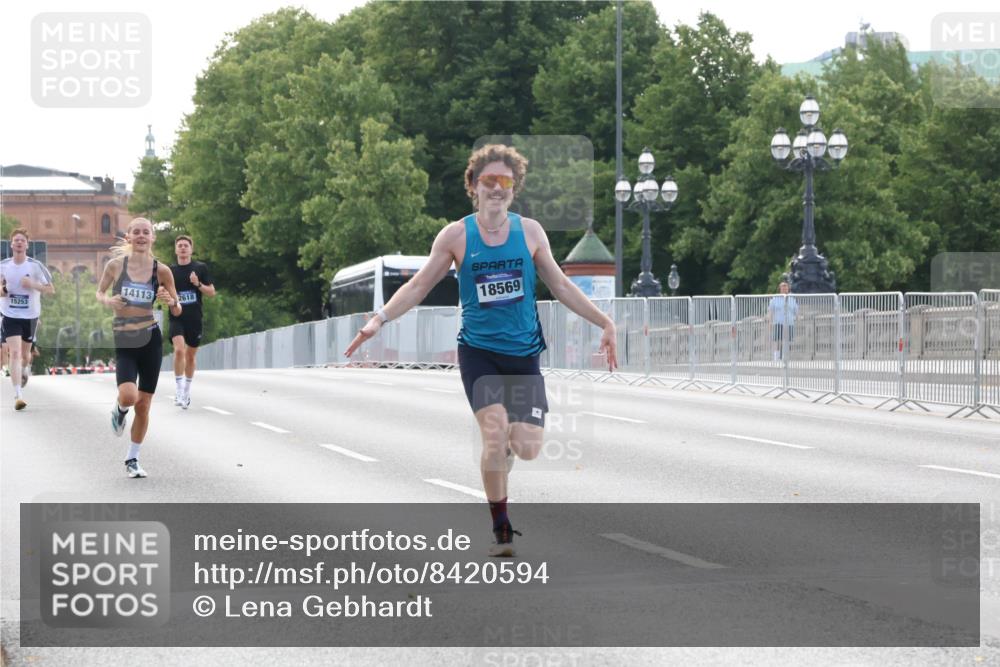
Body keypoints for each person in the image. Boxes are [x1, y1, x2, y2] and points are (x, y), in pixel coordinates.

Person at [345, 144, 617, 557]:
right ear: (473, 185)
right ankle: (501, 528)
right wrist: (379, 319)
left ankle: (505, 449)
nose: (497, 187)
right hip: (479, 353)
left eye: (505, 180)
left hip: (523, 355)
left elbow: (561, 285)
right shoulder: (456, 236)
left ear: (514, 187)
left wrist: (605, 322)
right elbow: (419, 285)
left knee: (526, 447)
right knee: (493, 433)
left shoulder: (530, 233)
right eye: (488, 180)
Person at [96, 218, 182, 478]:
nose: (142, 236)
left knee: (143, 405)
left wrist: (170, 301)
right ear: (129, 237)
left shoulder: (162, 271)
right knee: (128, 396)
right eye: (137, 232)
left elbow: (177, 308)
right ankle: (120, 411)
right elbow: (100, 293)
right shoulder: (115, 266)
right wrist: (109, 301)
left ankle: (132, 459)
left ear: (153, 237)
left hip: (150, 339)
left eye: (146, 232)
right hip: (125, 338)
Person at [1, 229, 54, 410]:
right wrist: (5, 290)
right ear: (11, 244)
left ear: (27, 245)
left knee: (25, 356)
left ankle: (24, 369)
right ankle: (18, 395)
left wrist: (32, 284)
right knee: (14, 353)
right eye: (16, 240)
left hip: (30, 316)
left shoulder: (35, 266)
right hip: (10, 315)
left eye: (22, 240)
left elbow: (50, 289)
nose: (19, 243)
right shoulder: (3, 266)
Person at [168, 235, 215, 408]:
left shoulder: (200, 268)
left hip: (194, 318)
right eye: (179, 245)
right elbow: (161, 290)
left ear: (191, 249)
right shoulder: (170, 271)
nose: (182, 248)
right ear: (176, 250)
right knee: (179, 350)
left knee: (190, 356)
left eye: (185, 245)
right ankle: (179, 389)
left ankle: (186, 391)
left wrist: (198, 284)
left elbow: (211, 292)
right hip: (176, 317)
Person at [767, 280, 798, 361]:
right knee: (777, 340)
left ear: (788, 288)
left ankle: (785, 356)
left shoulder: (792, 299)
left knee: (788, 340)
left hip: (789, 323)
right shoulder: (775, 299)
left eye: (786, 287)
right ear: (780, 289)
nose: (784, 288)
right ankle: (776, 357)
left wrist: (798, 319)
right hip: (778, 322)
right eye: (783, 287)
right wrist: (770, 322)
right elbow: (770, 312)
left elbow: (796, 312)